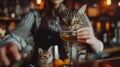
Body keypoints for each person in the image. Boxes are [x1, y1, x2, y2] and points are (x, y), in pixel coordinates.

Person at [0, 0, 103, 66]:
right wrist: (11, 43)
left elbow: (99, 49)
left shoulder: (80, 15)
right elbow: (17, 35)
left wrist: (94, 41)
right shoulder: (34, 15)